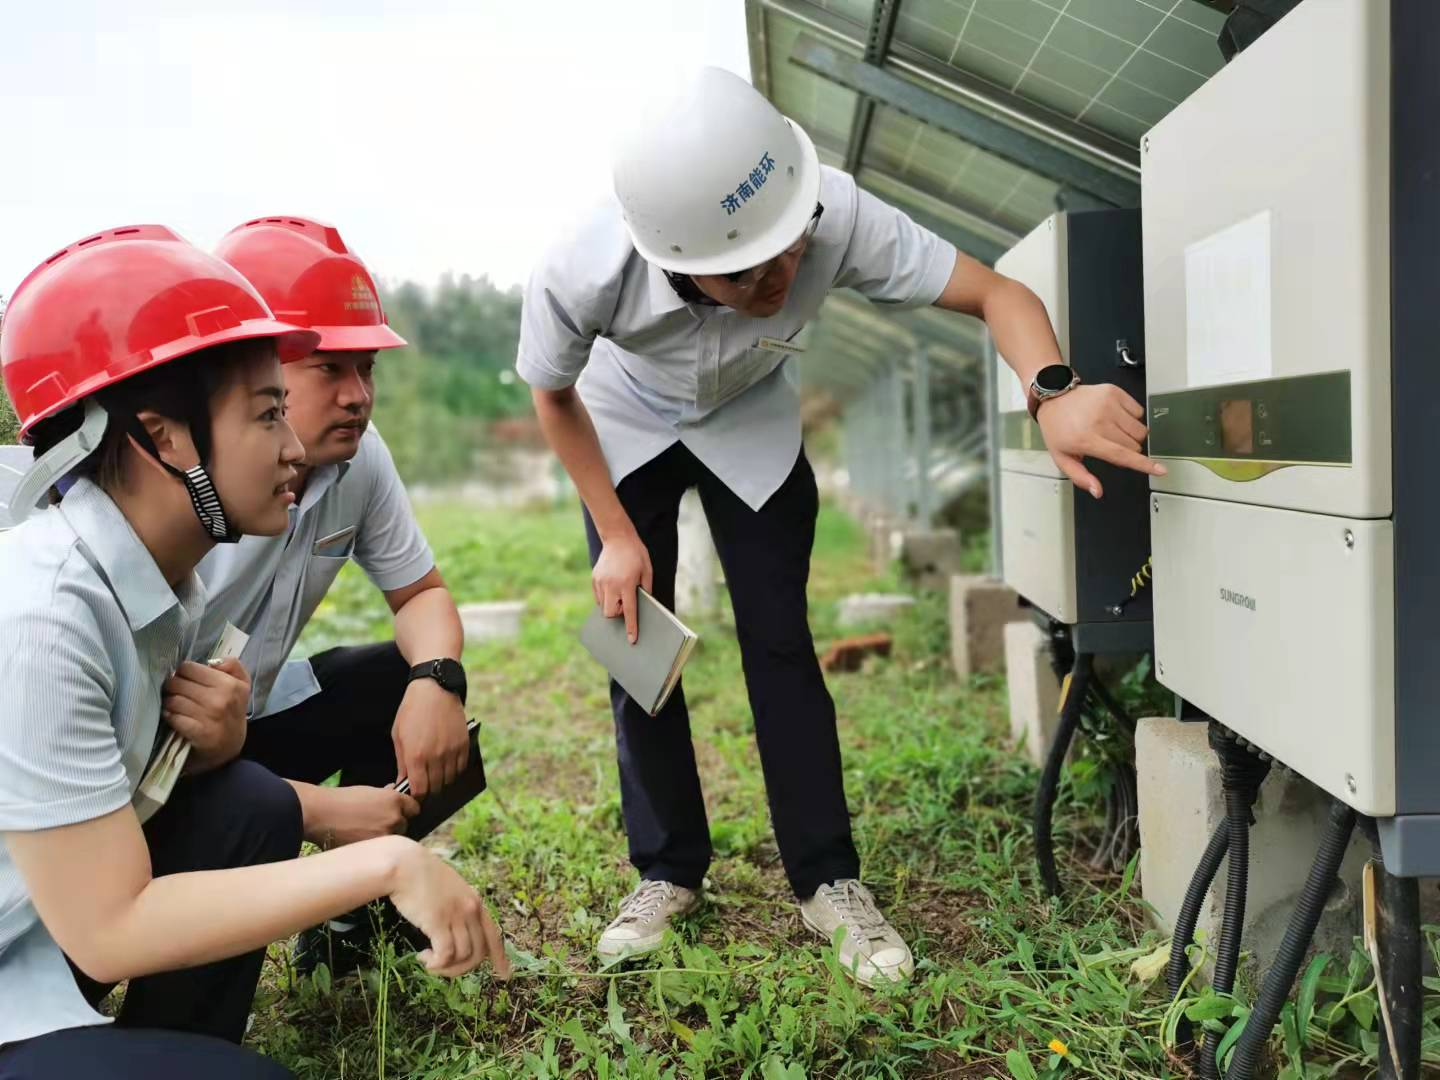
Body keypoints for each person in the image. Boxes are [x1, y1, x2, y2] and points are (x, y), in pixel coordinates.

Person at [516, 68, 1164, 986]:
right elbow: (550, 395)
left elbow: (1001, 296)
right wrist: (616, 533)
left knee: (780, 646)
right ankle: (666, 870)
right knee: (636, 650)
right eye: (746, 271)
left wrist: (1051, 390)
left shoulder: (835, 210)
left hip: (751, 426)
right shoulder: (583, 267)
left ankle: (828, 880)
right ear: (674, 258)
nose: (782, 277)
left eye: (790, 249)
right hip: (622, 426)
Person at [0, 225, 507, 1080]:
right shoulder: (47, 616)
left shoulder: (154, 580)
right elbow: (108, 924)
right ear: (162, 438)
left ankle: (171, 1045)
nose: (294, 448)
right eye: (269, 413)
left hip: (52, 923)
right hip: (47, 942)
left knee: (249, 805)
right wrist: (381, 857)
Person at [194, 215, 477, 976]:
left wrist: (435, 681)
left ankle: (352, 924)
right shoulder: (188, 489)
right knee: (236, 817)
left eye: (368, 370)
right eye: (329, 369)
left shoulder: (360, 461)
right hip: (166, 756)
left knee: (399, 682)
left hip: (243, 723)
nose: (358, 397)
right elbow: (149, 746)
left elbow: (421, 592)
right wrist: (317, 816)